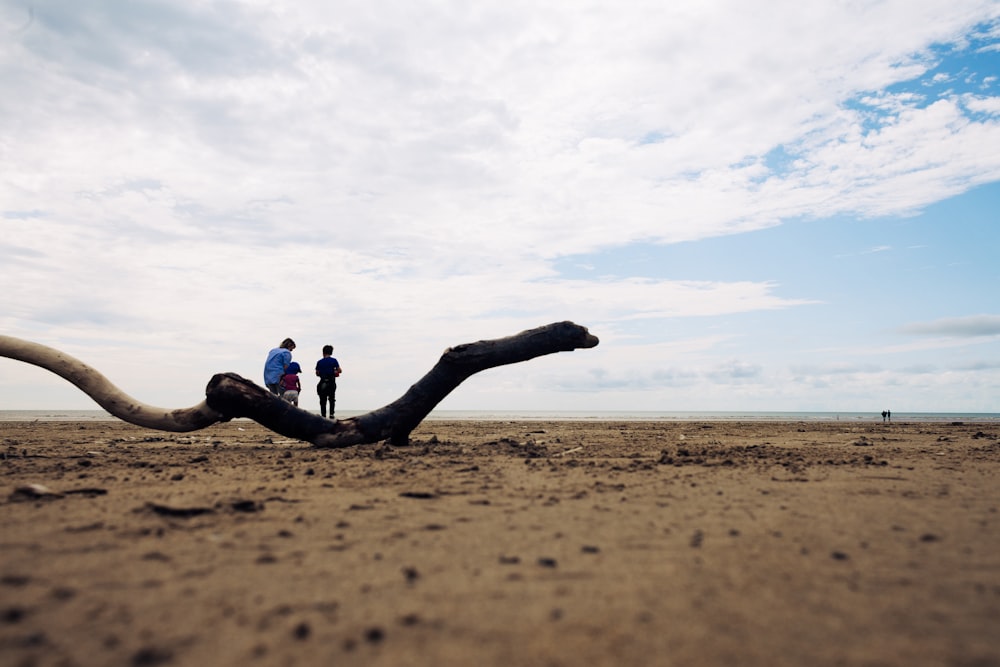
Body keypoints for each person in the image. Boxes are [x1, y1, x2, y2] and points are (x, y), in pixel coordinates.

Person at [315, 344, 341, 419]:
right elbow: (339, 370)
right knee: (332, 398)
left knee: (322, 399)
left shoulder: (319, 362)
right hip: (331, 382)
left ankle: (323, 415)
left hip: (322, 381)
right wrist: (335, 371)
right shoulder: (334, 360)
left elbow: (317, 373)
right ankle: (331, 414)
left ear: (323, 352)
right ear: (331, 352)